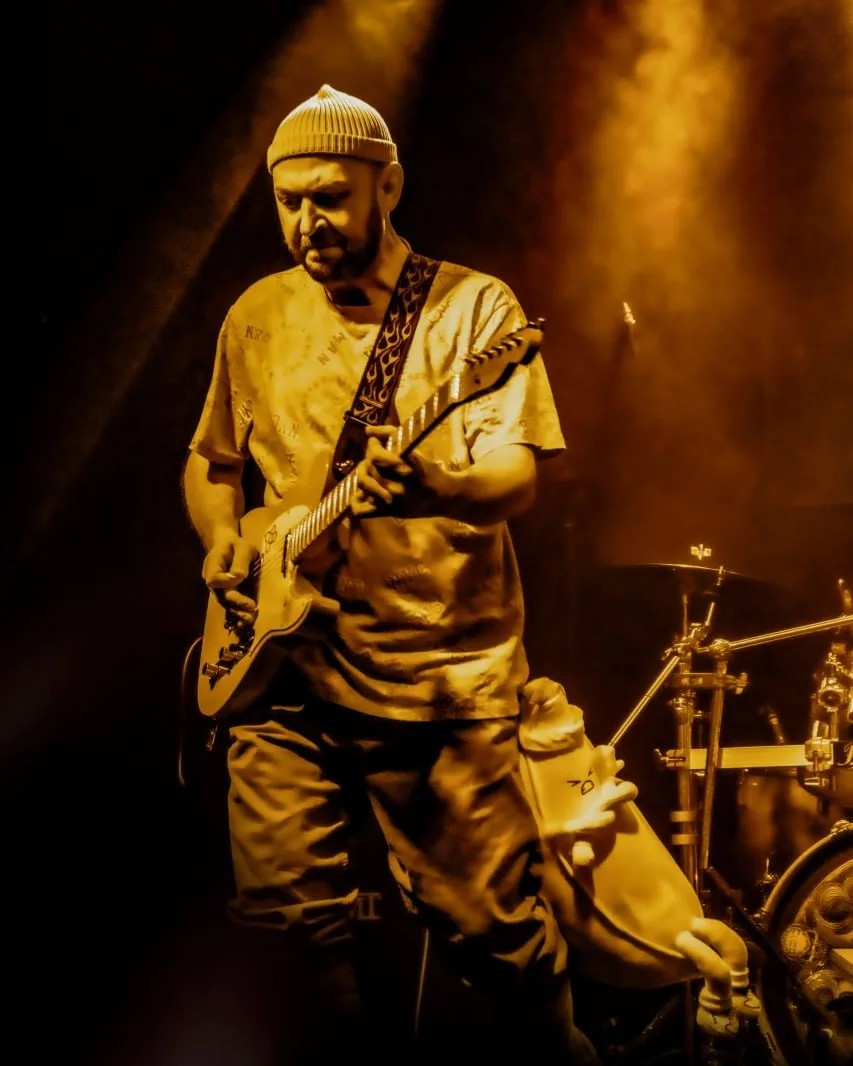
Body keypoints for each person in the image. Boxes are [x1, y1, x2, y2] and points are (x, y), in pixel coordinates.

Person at [181, 83, 601, 1065]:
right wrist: (222, 540)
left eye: (330, 196)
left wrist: (435, 484)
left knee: (493, 938)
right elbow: (211, 462)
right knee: (287, 937)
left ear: (389, 186)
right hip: (279, 672)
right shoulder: (255, 315)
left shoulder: (474, 312)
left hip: (435, 676)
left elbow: (513, 478)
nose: (307, 222)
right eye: (288, 201)